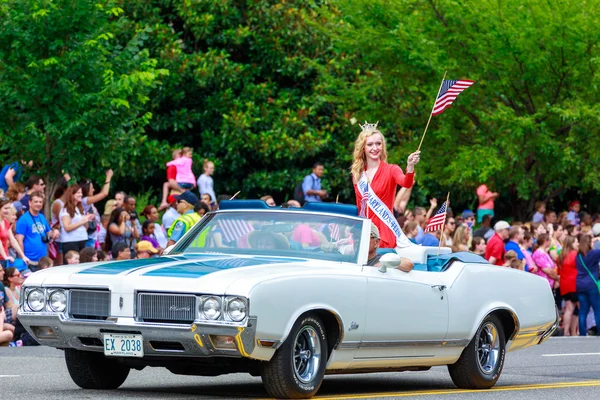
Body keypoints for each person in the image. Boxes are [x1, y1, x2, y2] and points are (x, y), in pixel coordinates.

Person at [351, 121, 420, 248]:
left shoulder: (391, 169)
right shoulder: (357, 174)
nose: (375, 148)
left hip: (383, 231)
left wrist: (410, 166)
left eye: (378, 143)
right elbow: (359, 206)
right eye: (370, 144)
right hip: (362, 231)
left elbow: (406, 182)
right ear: (363, 148)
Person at [15, 191, 59, 271]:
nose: (38, 204)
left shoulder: (42, 217)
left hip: (43, 261)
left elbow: (49, 233)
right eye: (35, 202)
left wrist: (55, 232)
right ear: (29, 202)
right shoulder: (24, 219)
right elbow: (19, 240)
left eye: (40, 202)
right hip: (30, 261)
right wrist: (23, 258)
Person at [575, 234, 600, 336]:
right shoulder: (593, 253)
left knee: (583, 310)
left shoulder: (578, 256)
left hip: (580, 284)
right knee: (597, 309)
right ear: (589, 243)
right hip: (591, 284)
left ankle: (582, 332)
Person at [59, 185, 95, 254]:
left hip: (82, 239)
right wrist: (82, 222)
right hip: (71, 241)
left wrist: (86, 219)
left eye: (81, 193)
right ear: (71, 195)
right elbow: (67, 227)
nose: (81, 194)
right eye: (78, 193)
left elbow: (86, 227)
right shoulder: (66, 209)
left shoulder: (79, 208)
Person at [558, 236, 579, 336]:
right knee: (580, 308)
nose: (577, 244)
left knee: (569, 309)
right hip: (575, 284)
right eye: (576, 242)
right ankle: (575, 331)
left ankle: (566, 331)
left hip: (564, 285)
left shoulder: (561, 255)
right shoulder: (575, 254)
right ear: (571, 243)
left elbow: (558, 271)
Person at [0, 198, 29, 267]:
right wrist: (5, 256)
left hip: (5, 259)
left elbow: (13, 240)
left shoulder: (6, 222)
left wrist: (23, 256)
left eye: (9, 208)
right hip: (3, 258)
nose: (8, 211)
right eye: (5, 208)